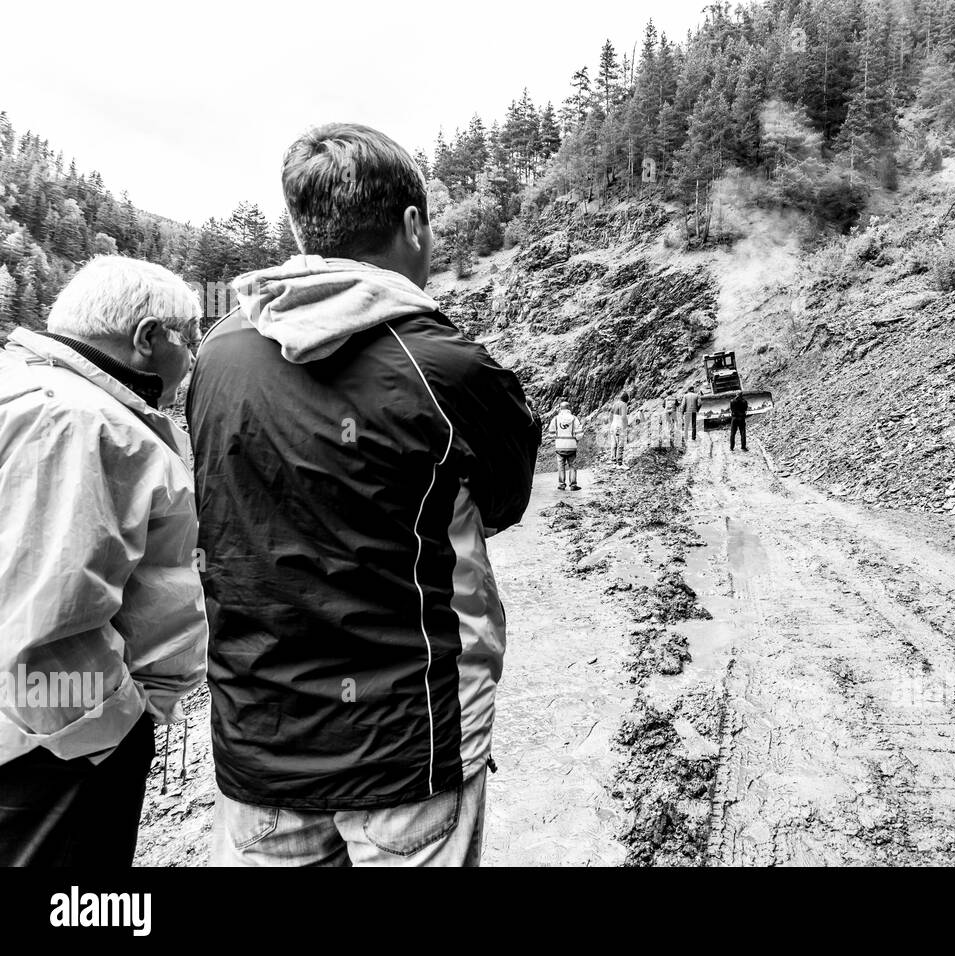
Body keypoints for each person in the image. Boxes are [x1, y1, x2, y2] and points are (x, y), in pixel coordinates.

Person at [187, 122, 540, 867]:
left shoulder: (217, 356)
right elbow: (503, 505)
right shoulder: (449, 369)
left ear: (299, 228)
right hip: (412, 747)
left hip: (259, 744)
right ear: (412, 224)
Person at [0, 256, 208, 866]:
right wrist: (117, 722)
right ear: (147, 338)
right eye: (188, 342)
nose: (193, 360)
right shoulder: (75, 421)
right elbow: (43, 622)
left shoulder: (31, 388)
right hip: (51, 758)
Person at [549, 399, 584, 489]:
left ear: (560, 408)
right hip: (571, 446)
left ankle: (561, 484)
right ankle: (573, 485)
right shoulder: (574, 418)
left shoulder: (555, 419)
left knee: (561, 466)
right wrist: (576, 439)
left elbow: (551, 433)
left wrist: (557, 438)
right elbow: (579, 434)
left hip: (559, 446)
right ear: (569, 408)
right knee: (572, 465)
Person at [609, 391, 630, 466]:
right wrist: (626, 425)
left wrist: (611, 424)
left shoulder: (615, 404)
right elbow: (623, 417)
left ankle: (613, 460)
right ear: (627, 399)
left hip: (613, 425)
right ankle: (619, 463)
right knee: (620, 444)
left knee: (614, 443)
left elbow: (610, 415)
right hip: (619, 426)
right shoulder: (623, 405)